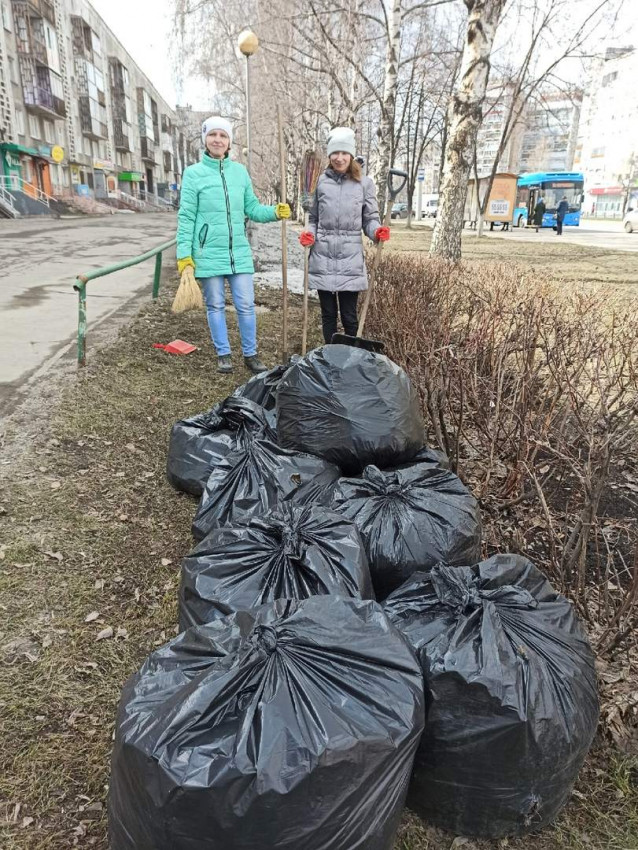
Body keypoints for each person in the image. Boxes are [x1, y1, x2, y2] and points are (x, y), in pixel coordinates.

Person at [176, 116, 291, 374]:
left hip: (238, 252)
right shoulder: (194, 174)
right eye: (213, 135)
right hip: (206, 252)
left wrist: (274, 212)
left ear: (230, 142)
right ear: (205, 139)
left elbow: (251, 208)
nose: (218, 140)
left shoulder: (239, 173)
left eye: (223, 136)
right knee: (215, 304)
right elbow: (186, 217)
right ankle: (223, 353)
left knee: (246, 304)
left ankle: (250, 354)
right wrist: (185, 255)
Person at [298, 127, 389, 344]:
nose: (339, 158)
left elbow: (370, 219)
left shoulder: (364, 184)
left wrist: (376, 231)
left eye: (344, 153)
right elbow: (313, 219)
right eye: (335, 153)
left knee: (349, 316)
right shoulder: (319, 183)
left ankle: (351, 360)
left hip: (350, 258)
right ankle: (328, 359)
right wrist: (309, 235)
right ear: (329, 156)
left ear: (351, 155)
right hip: (323, 256)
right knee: (328, 314)